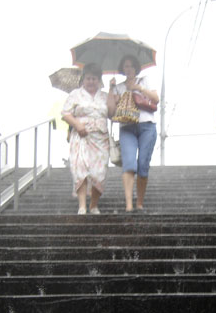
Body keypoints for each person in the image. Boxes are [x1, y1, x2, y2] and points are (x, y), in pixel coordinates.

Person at [107, 55, 159, 212]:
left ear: (136, 67)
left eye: (130, 65)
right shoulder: (119, 87)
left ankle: (139, 203)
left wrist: (139, 89)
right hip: (127, 127)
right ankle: (129, 205)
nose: (128, 69)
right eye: (125, 66)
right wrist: (111, 89)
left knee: (143, 165)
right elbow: (110, 112)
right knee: (129, 164)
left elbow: (156, 99)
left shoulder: (145, 80)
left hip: (147, 126)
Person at [61, 63, 113, 214]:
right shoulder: (75, 94)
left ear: (99, 80)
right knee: (81, 169)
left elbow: (112, 113)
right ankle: (82, 205)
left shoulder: (104, 95)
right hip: (81, 137)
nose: (91, 82)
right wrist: (77, 124)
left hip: (100, 138)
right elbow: (65, 113)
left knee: (99, 172)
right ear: (83, 79)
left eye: (94, 79)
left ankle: (94, 205)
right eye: (89, 78)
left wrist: (112, 90)